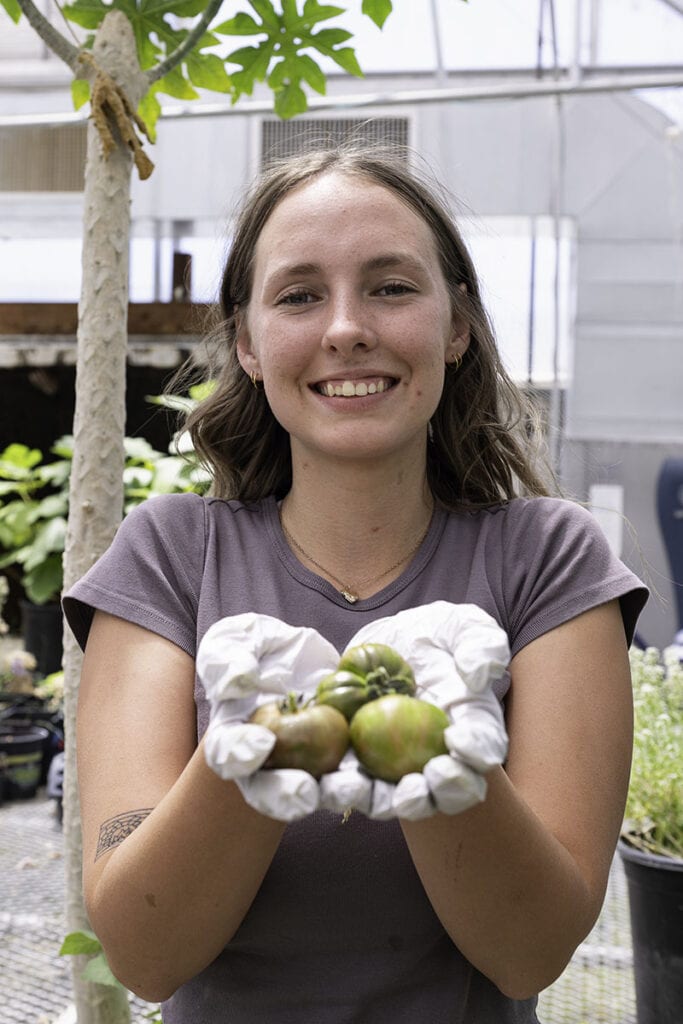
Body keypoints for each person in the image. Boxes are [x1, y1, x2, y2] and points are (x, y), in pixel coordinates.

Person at [63, 143, 648, 1024]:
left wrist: (439, 762)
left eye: (390, 286)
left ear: (456, 326)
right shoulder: (169, 558)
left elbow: (529, 953)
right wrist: (252, 752)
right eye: (298, 295)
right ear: (247, 344)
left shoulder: (547, 560)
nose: (345, 328)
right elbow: (146, 953)